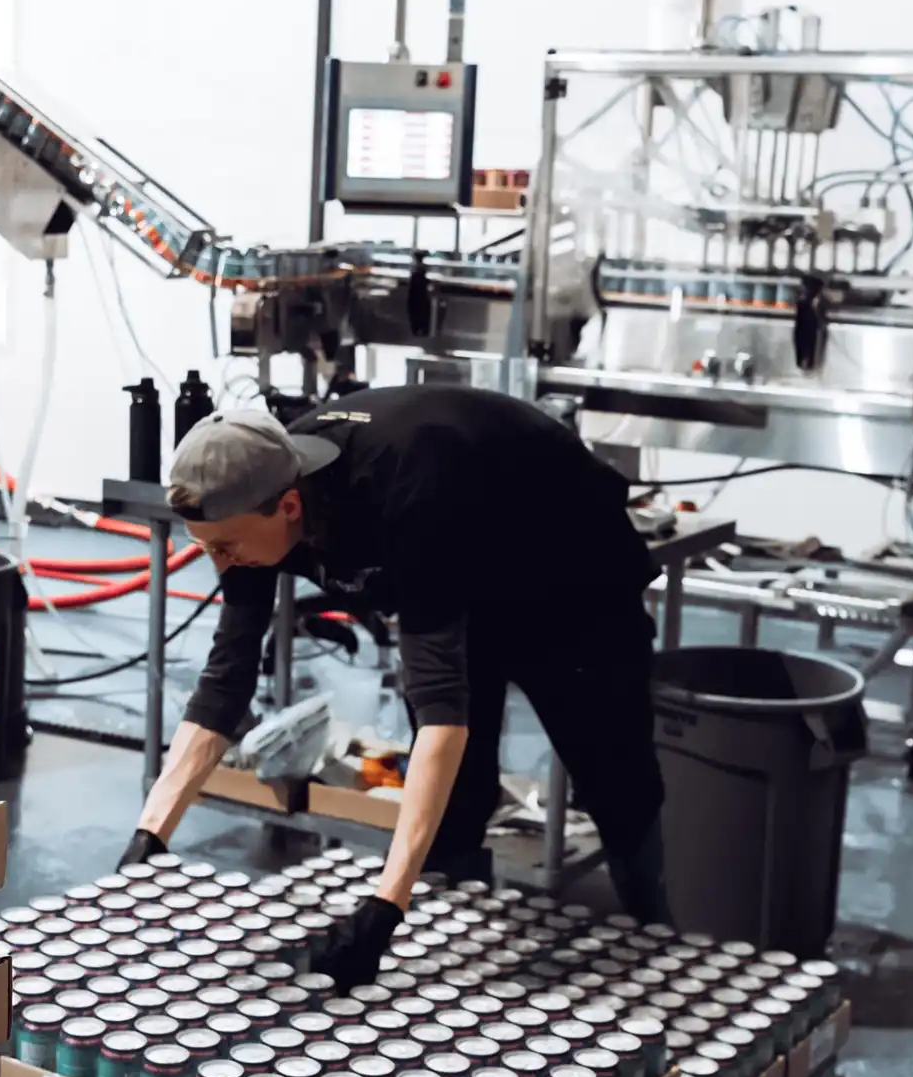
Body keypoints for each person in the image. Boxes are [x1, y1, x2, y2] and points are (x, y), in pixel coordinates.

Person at [124, 385, 673, 961]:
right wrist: (151, 833)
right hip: (466, 568)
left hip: (570, 573)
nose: (219, 563)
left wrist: (385, 905)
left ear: (288, 507)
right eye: (206, 548)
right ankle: (457, 929)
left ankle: (653, 929)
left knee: (613, 773)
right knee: (457, 795)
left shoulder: (407, 485)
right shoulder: (248, 502)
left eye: (225, 548)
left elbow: (440, 708)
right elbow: (226, 679)